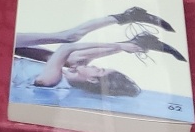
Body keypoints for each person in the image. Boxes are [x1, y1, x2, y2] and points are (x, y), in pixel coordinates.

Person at [12, 7, 185, 98]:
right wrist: (119, 47)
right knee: (74, 60)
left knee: (69, 39)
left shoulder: (51, 79)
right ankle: (133, 39)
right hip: (13, 49)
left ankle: (126, 20)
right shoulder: (65, 77)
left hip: (7, 48)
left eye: (99, 70)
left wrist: (118, 47)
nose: (96, 66)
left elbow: (66, 48)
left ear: (92, 79)